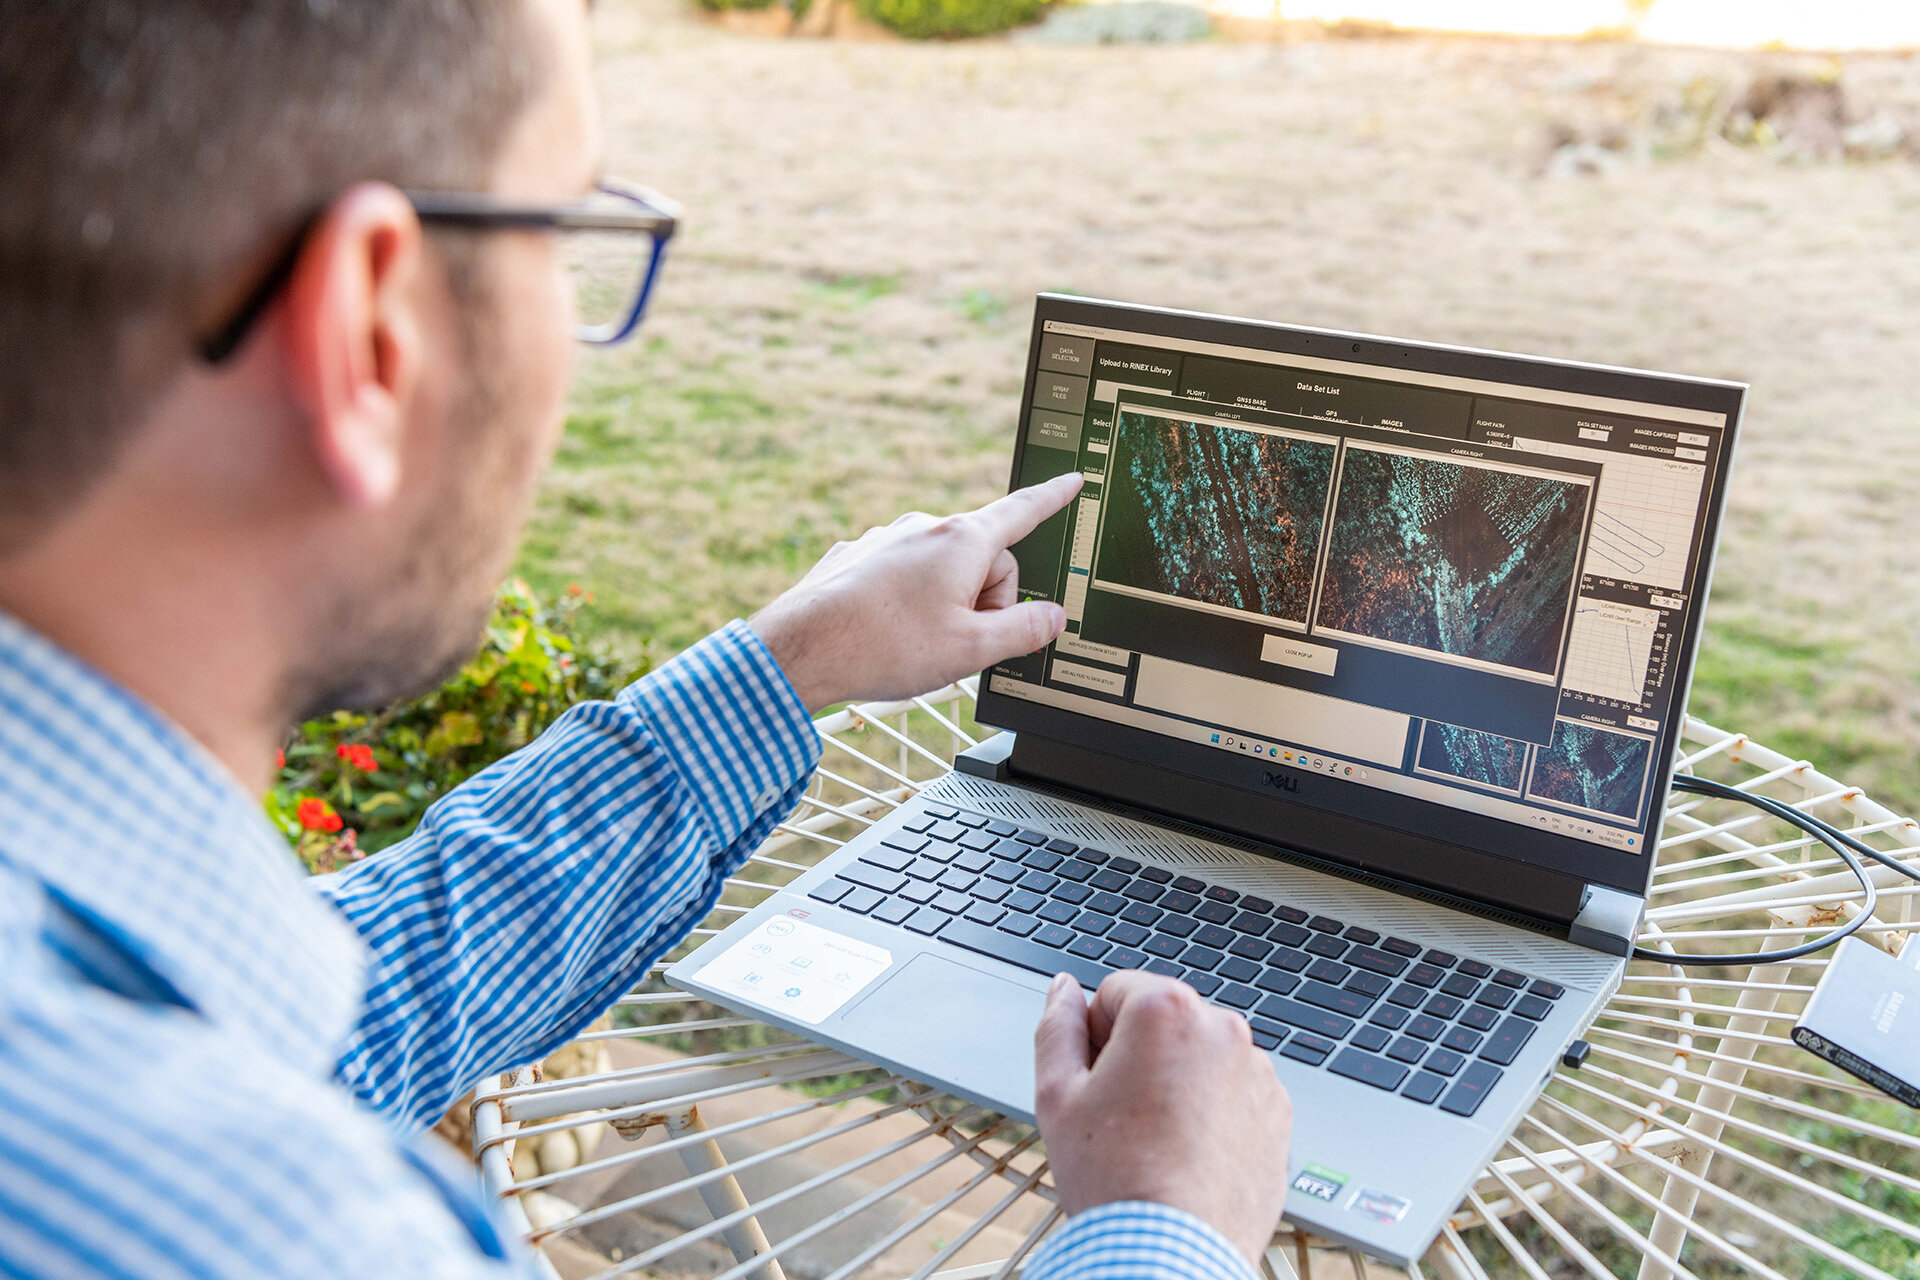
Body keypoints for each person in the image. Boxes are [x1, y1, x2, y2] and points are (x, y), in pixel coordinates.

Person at [0, 1, 1293, 1276]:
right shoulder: (287, 1234)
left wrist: (787, 667)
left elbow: (341, 1010)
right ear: (368, 335)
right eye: (566, 231)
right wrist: (1165, 1228)